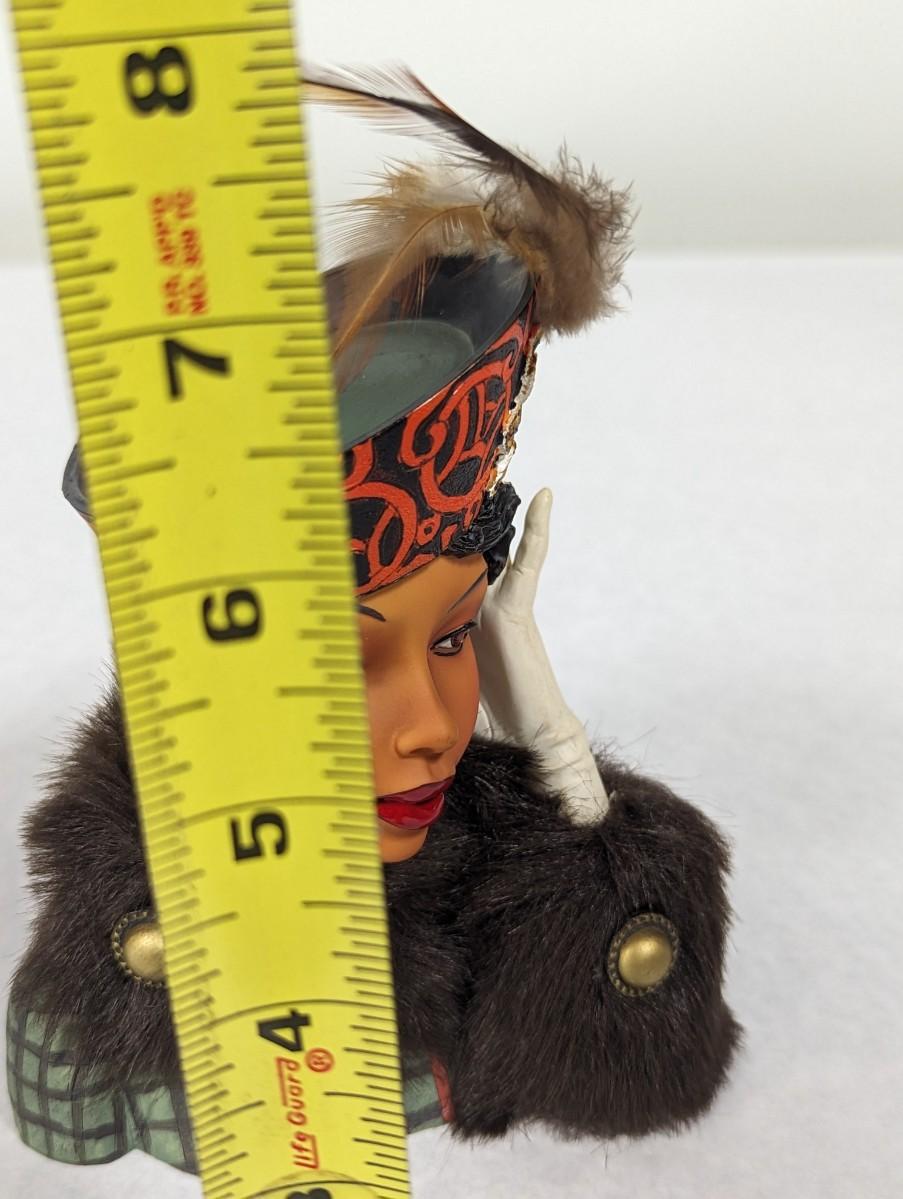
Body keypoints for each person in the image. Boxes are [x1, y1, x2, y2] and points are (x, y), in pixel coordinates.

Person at [7, 65, 740, 1171]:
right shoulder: (93, 1012)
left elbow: (651, 1074)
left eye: (452, 638)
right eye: (340, 664)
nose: (432, 725)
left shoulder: (498, 881)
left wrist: (558, 754)